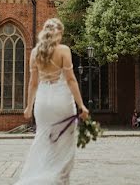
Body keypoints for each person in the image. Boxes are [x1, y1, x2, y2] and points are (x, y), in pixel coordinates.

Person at [14, 18, 89, 185]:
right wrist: (81, 105)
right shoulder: (63, 50)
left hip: (42, 103)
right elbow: (70, 80)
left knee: (42, 140)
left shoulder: (35, 53)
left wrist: (28, 106)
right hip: (62, 101)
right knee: (64, 144)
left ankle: (34, 178)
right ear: (59, 33)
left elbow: (33, 83)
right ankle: (58, 180)